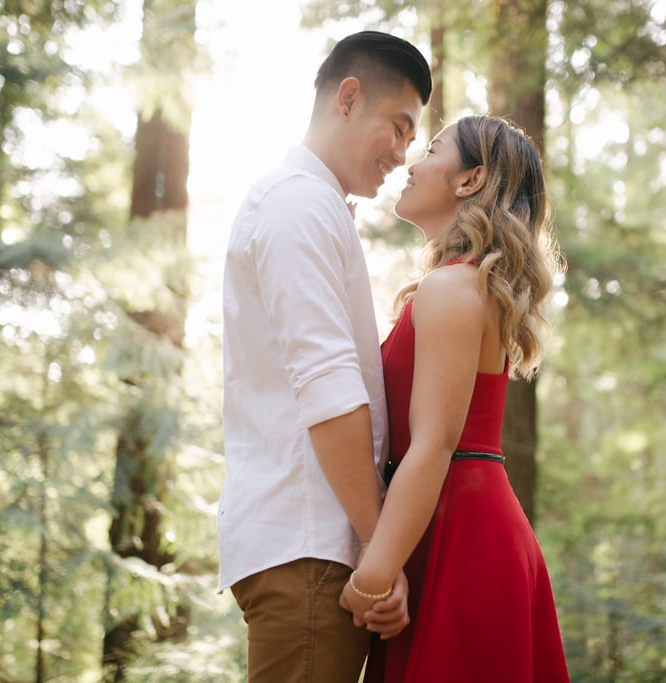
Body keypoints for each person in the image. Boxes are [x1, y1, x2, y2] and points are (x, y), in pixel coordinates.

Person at [217, 31, 432, 683]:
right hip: (311, 549)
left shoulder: (315, 208)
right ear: (347, 98)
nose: (403, 153)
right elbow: (329, 389)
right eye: (398, 127)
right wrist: (380, 549)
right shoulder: (297, 205)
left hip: (314, 551)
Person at [340, 115, 571, 682]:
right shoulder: (464, 285)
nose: (412, 164)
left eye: (432, 150)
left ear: (470, 180)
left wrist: (371, 577)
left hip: (461, 535)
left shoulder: (452, 286)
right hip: (454, 522)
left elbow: (433, 446)